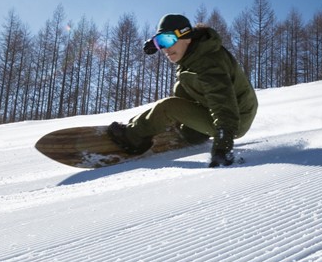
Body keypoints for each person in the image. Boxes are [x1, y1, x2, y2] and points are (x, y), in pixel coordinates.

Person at [107, 14, 258, 167]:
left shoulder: (208, 61)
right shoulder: (195, 50)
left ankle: (134, 138)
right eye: (161, 43)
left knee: (168, 107)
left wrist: (223, 145)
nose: (166, 49)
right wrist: (155, 43)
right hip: (232, 112)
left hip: (234, 120)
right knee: (181, 87)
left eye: (168, 40)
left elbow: (223, 103)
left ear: (187, 37)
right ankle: (195, 133)